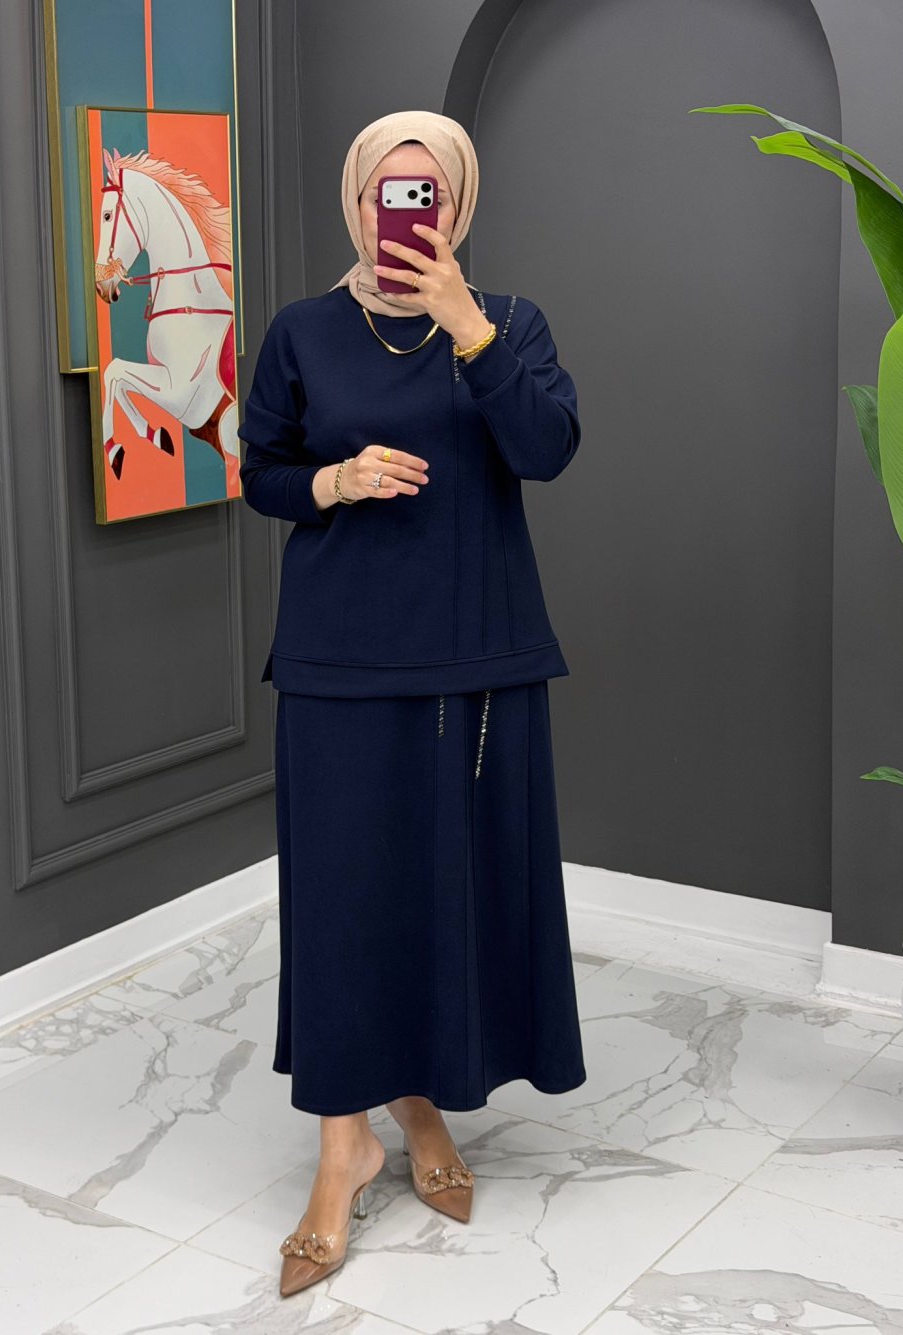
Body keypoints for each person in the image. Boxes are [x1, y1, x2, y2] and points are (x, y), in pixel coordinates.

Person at [237, 109, 587, 1299]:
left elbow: (545, 449)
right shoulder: (301, 330)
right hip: (337, 658)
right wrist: (333, 480)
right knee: (342, 903)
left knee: (448, 897)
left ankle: (422, 1102)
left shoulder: (509, 324)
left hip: (476, 659)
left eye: (424, 192)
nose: (402, 211)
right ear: (354, 202)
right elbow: (263, 472)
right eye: (384, 191)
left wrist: (467, 327)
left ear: (457, 205)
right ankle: (343, 1146)